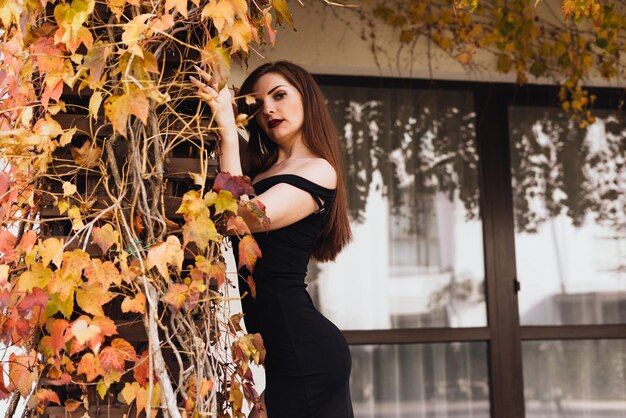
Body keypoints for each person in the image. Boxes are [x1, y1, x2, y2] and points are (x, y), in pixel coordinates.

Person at [191, 61, 354, 418]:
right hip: (279, 354)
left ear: (306, 99)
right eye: (258, 102)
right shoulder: (262, 170)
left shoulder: (318, 169)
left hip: (306, 352)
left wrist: (229, 135)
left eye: (279, 95)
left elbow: (237, 218)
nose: (268, 108)